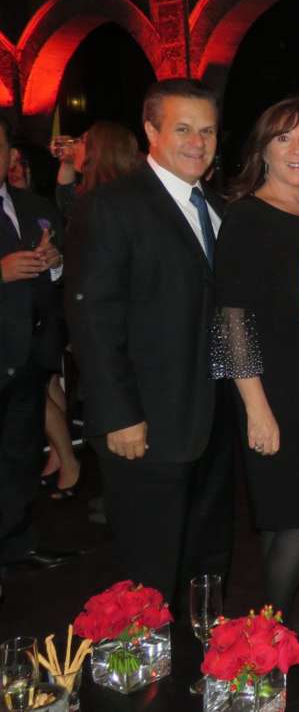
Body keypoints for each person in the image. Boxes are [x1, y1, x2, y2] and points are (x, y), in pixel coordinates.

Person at [66, 78, 235, 606]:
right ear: (151, 131)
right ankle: (142, 684)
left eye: (206, 130)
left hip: (211, 419)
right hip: (146, 422)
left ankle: (201, 672)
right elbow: (93, 319)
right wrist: (118, 414)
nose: (197, 142)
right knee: (148, 571)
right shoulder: (113, 206)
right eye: (183, 129)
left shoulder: (215, 204)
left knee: (206, 563)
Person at [211, 98, 299, 616]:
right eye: (283, 137)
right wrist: (256, 408)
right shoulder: (246, 217)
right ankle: (262, 639)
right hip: (271, 390)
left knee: (286, 517)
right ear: (262, 149)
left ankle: (253, 643)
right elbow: (231, 319)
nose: (297, 149)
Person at [41, 121, 140, 498]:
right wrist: (67, 162)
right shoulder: (90, 196)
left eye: (83, 142)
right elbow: (64, 200)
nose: (74, 146)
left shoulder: (113, 203)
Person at [0, 116, 66, 585]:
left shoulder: (33, 204)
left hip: (28, 358)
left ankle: (17, 543)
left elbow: (61, 279)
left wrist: (55, 264)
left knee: (20, 455)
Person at [53, 122, 141, 221]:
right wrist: (67, 163)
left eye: (82, 140)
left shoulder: (108, 203)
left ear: (98, 152)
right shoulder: (96, 192)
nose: (74, 145)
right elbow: (67, 203)